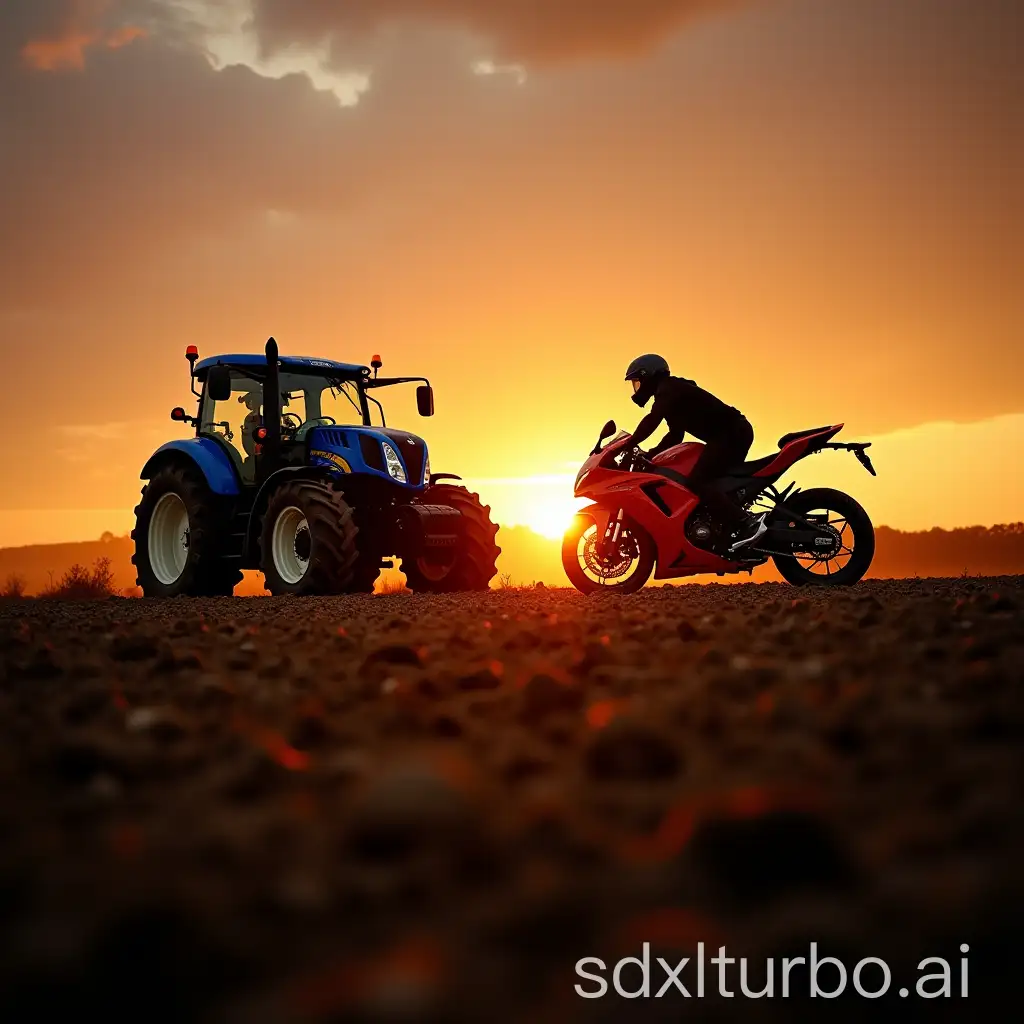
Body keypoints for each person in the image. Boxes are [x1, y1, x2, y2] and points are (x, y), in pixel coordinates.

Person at [623, 354, 767, 552]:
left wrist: (628, 443)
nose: (637, 388)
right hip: (731, 433)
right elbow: (675, 436)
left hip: (731, 433)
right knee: (715, 482)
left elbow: (651, 420)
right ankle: (727, 528)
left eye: (637, 381)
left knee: (698, 481)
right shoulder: (672, 393)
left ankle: (746, 522)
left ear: (648, 376)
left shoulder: (668, 389)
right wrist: (651, 454)